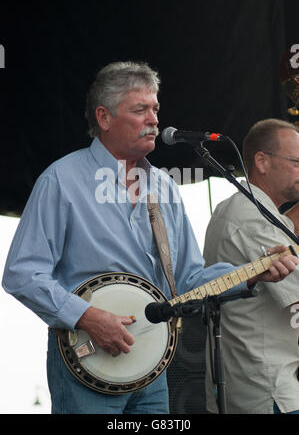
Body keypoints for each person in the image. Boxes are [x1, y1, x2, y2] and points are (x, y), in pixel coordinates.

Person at [2, 64, 297, 415]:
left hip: (151, 367)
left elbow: (188, 280)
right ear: (104, 117)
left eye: (155, 109)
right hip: (85, 363)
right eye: (140, 109)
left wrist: (252, 273)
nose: (154, 119)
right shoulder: (61, 181)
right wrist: (87, 317)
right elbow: (22, 273)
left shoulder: (163, 187)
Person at [203, 118, 299, 414]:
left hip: (265, 381)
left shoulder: (256, 211)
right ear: (262, 161)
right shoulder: (250, 216)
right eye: (296, 162)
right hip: (266, 387)